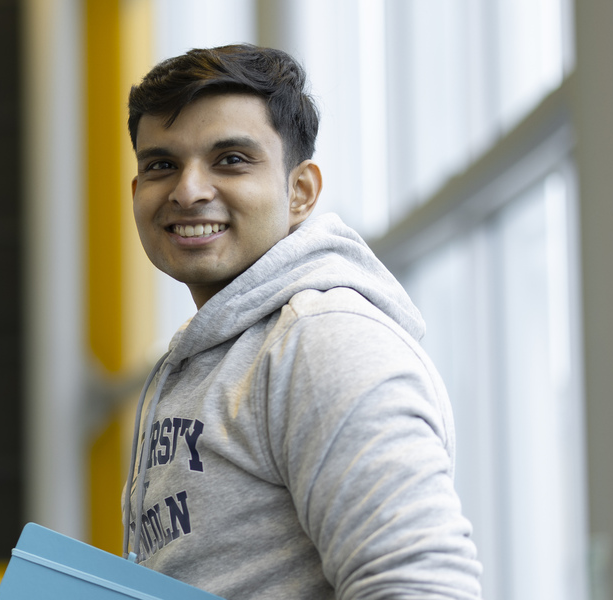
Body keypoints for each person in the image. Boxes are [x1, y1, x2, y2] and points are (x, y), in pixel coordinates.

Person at [121, 44, 482, 599]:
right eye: (162, 165)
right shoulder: (212, 357)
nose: (188, 190)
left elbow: (421, 586)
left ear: (300, 192)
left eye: (231, 160)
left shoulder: (322, 340)